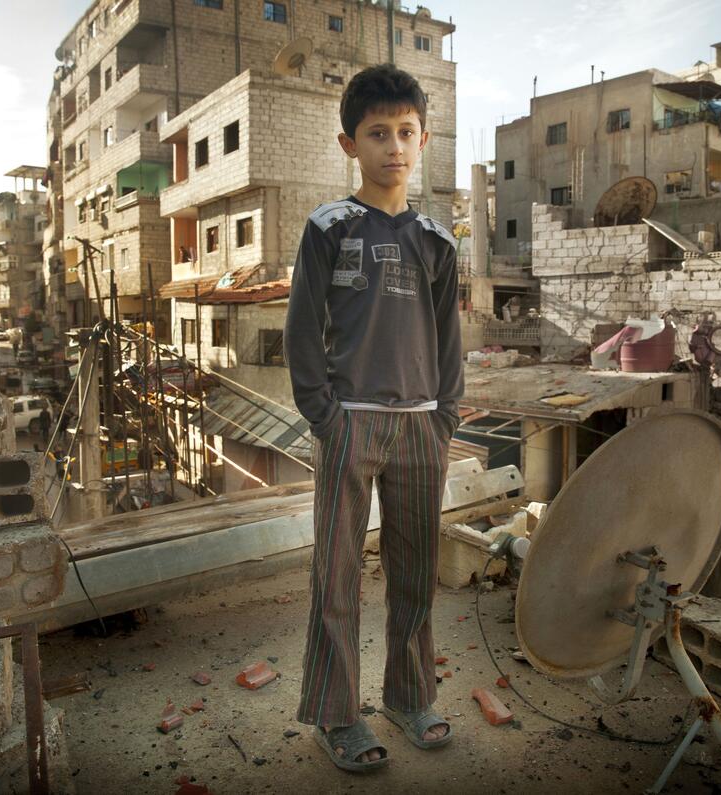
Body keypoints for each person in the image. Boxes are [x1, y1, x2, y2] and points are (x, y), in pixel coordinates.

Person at [284, 64, 463, 773]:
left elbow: (449, 337)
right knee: (337, 575)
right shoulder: (329, 227)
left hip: (423, 425)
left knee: (416, 570)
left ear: (424, 139)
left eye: (406, 132)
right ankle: (336, 715)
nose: (394, 145)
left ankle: (409, 696)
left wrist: (446, 414)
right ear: (349, 143)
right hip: (351, 421)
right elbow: (302, 329)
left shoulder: (438, 240)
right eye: (378, 133)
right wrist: (325, 415)